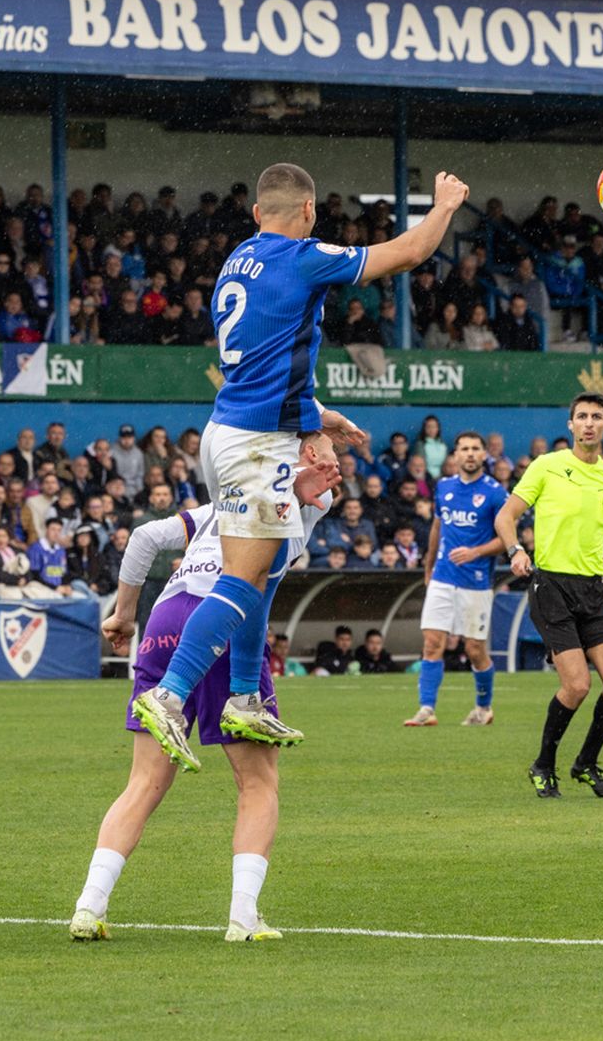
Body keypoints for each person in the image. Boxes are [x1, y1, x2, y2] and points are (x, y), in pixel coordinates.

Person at [132, 162, 468, 775]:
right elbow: (406, 254)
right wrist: (443, 206)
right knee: (240, 579)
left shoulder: (240, 259)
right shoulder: (304, 256)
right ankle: (170, 694)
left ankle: (242, 698)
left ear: (258, 213)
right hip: (256, 444)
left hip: (238, 428)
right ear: (309, 212)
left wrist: (317, 419)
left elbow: (266, 364)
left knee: (265, 568)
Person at [74, 432, 337, 945]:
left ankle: (89, 906)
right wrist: (319, 433)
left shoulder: (223, 503)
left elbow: (145, 538)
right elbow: (301, 449)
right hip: (226, 623)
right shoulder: (313, 493)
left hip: (167, 619)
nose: (337, 463)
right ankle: (243, 916)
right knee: (257, 784)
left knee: (144, 783)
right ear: (305, 453)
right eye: (329, 450)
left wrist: (124, 614)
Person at [495, 393, 603, 799]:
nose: (589, 423)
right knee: (576, 686)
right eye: (582, 417)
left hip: (593, 588)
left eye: (596, 417)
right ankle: (544, 763)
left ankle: (586, 763)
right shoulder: (548, 466)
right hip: (551, 586)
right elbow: (506, 516)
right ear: (570, 425)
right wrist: (516, 550)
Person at [406, 432, 506, 728]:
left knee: (474, 649)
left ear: (485, 454)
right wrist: (428, 566)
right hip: (442, 577)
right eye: (464, 449)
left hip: (475, 582)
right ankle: (426, 709)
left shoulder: (495, 492)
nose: (470, 454)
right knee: (432, 642)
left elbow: (506, 538)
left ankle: (483, 707)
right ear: (456, 455)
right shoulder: (445, 487)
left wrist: (476, 552)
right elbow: (437, 527)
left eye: (476, 448)